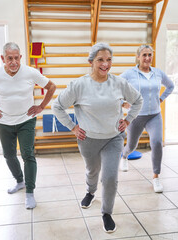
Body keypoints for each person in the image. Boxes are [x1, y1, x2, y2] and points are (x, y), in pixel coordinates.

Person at [52, 42, 143, 233]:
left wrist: (128, 121)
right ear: (91, 62)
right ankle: (90, 192)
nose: (105, 64)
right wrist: (72, 127)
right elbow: (57, 106)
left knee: (110, 177)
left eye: (109, 60)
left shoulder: (119, 83)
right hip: (88, 139)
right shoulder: (79, 85)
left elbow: (138, 100)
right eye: (100, 60)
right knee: (92, 171)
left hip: (114, 137)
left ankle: (106, 213)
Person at [0, 42, 56, 209]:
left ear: (20, 58)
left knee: (28, 155)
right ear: (3, 58)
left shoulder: (30, 72)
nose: (13, 62)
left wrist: (41, 107)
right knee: (9, 155)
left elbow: (51, 86)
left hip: (26, 119)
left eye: (16, 58)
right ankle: (20, 181)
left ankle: (30, 192)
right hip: (4, 121)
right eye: (9, 58)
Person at [119, 44, 174, 193]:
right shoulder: (130, 74)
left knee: (156, 142)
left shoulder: (158, 73)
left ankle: (156, 177)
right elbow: (114, 88)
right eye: (144, 55)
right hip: (136, 116)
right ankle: (124, 156)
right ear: (138, 57)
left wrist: (161, 99)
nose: (147, 58)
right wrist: (123, 103)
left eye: (150, 55)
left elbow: (170, 86)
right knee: (132, 145)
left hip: (154, 115)